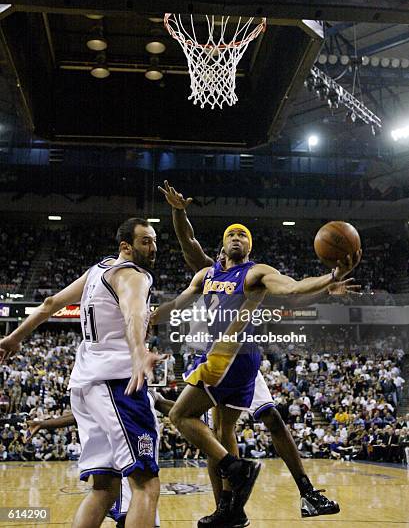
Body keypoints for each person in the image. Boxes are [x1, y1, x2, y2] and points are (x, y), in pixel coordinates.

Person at [155, 186, 361, 527]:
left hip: (232, 356)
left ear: (250, 246)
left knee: (196, 419)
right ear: (222, 245)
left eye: (243, 235)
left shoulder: (255, 273)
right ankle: (230, 510)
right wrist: (178, 212)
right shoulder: (207, 273)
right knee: (221, 432)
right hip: (220, 356)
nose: (237, 237)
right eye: (231, 234)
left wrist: (330, 279)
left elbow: (292, 289)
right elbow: (188, 243)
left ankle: (263, 484)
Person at [0, 217, 164, 528]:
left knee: (104, 488)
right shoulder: (132, 275)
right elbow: (133, 312)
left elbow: (50, 303)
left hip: (86, 387)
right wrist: (139, 350)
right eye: (146, 241)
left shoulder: (96, 271)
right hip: (117, 383)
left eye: (154, 240)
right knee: (146, 484)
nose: (153, 247)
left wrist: (15, 337)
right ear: (125, 246)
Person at [26, 387, 174, 528]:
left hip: (123, 473)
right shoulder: (124, 391)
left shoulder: (148, 394)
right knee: (144, 489)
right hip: (128, 477)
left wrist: (191, 411)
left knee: (103, 491)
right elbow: (78, 415)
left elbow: (175, 410)